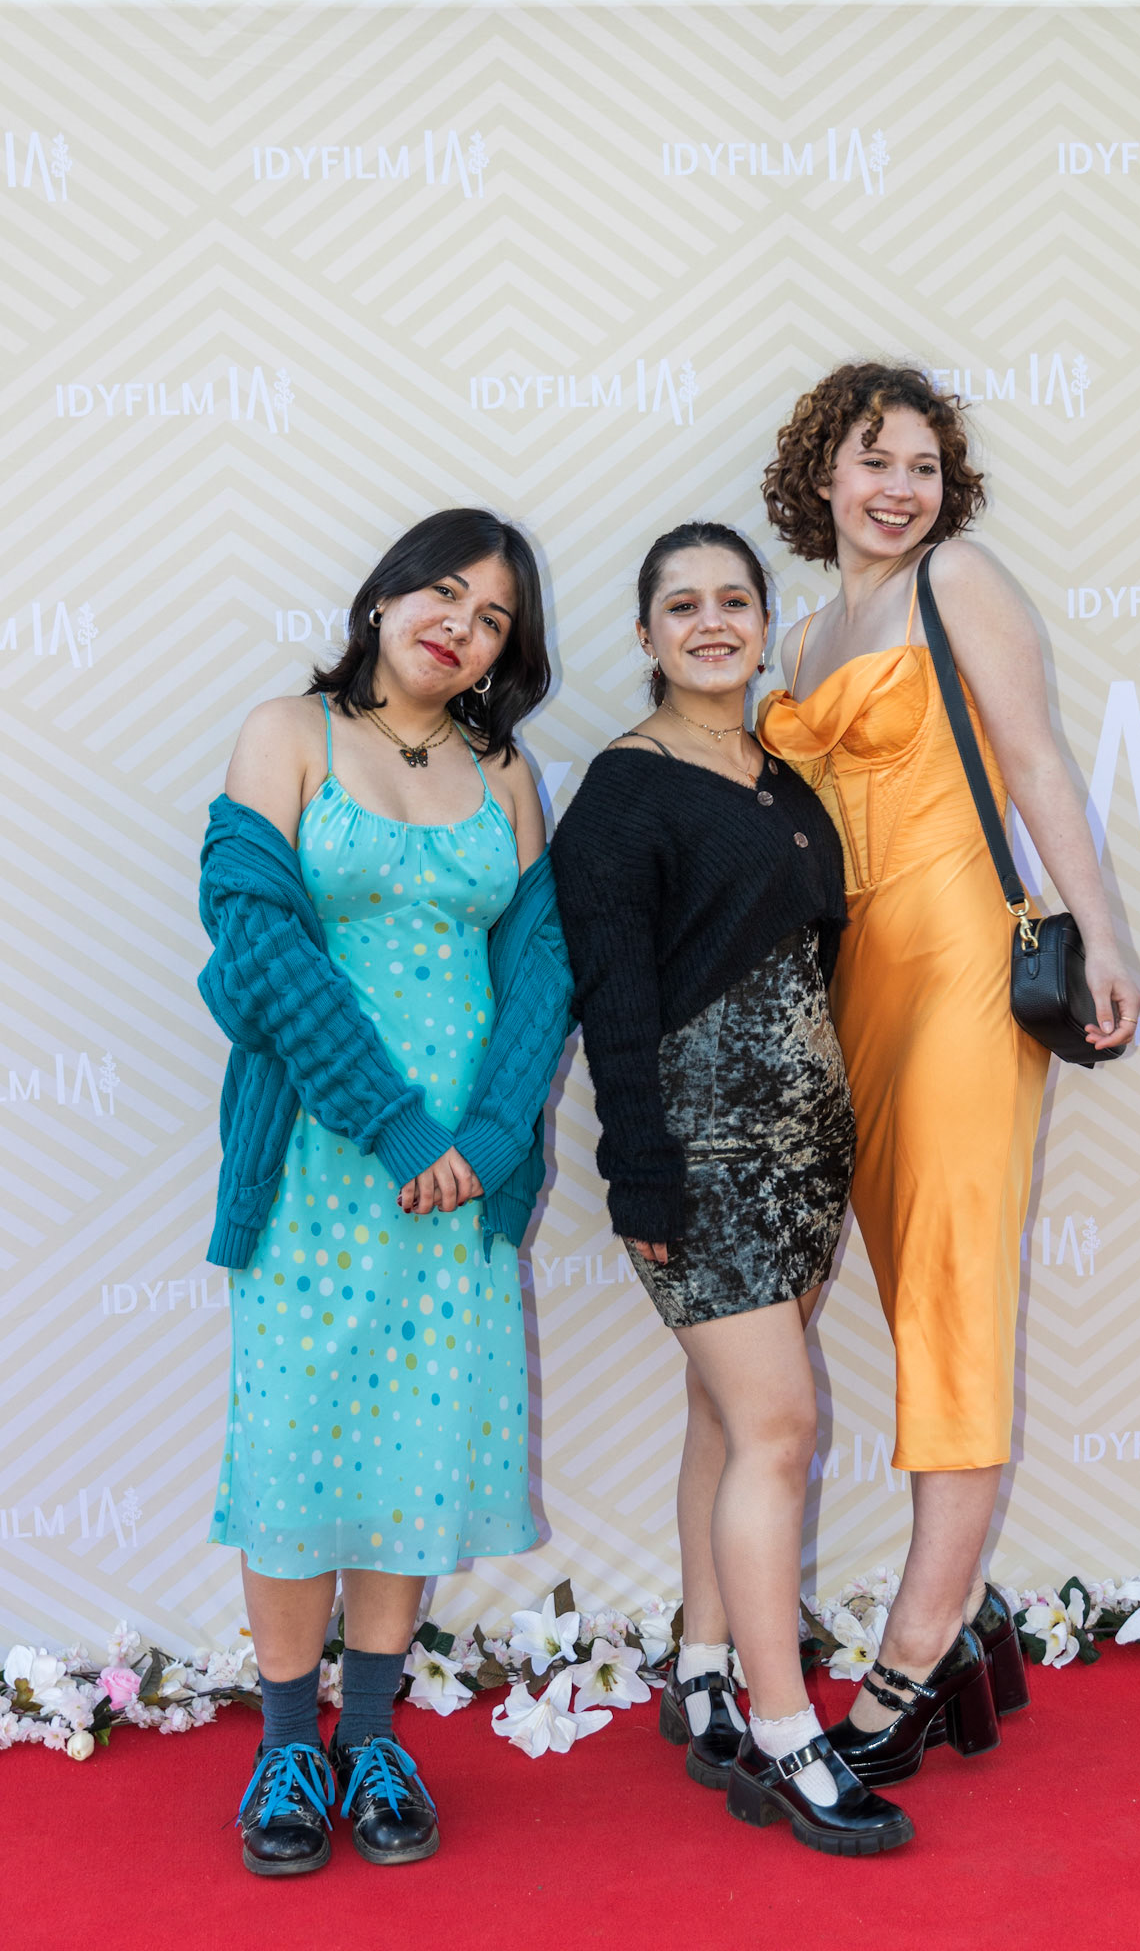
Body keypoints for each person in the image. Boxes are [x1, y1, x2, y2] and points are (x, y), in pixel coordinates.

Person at [759, 363, 1140, 1786]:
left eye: (922, 465)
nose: (899, 489)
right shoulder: (800, 635)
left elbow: (1034, 762)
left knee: (950, 1309)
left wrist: (1104, 935)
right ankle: (966, 1620)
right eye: (874, 461)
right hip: (844, 995)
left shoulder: (958, 582)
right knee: (863, 1289)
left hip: (964, 979)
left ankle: (911, 1665)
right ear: (822, 475)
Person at [198, 508, 574, 1875]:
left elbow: (540, 971)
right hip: (319, 1163)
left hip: (458, 1182)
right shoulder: (286, 734)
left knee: (415, 1445)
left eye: (493, 618)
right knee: (296, 1445)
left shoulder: (506, 773)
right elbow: (254, 940)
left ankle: (368, 1736)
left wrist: (486, 1134)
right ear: (383, 597)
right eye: (443, 592)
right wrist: (398, 1127)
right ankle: (285, 1746)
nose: (459, 625)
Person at [551, 521, 911, 1857]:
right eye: (681, 605)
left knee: (725, 1412)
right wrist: (638, 1172)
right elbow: (613, 1002)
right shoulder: (621, 792)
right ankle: (783, 1733)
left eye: (734, 601)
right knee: (780, 1430)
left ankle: (702, 1664)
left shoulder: (783, 777)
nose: (711, 622)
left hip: (805, 1155)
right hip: (700, 1165)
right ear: (646, 635)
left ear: (764, 622)